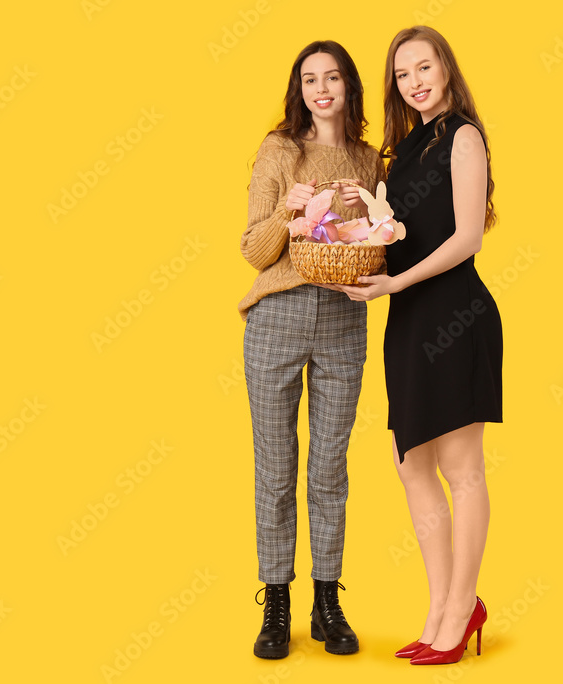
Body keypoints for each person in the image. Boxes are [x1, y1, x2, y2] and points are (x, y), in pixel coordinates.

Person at [339, 26, 502, 666]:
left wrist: (394, 282)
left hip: (454, 314)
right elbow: (396, 229)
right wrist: (362, 211)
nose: (415, 81)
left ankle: (462, 610)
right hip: (405, 318)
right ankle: (438, 608)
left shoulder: (463, 135)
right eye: (403, 74)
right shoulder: (402, 150)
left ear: (446, 69)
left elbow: (467, 238)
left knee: (462, 471)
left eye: (424, 67)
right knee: (413, 468)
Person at [238, 40, 385, 659]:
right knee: (275, 468)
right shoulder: (279, 151)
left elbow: (376, 242)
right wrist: (290, 221)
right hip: (277, 313)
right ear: (298, 90)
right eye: (309, 80)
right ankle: (276, 601)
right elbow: (252, 249)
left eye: (332, 78)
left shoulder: (369, 159)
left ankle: (327, 600)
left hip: (344, 320)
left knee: (329, 468)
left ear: (349, 86)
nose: (321, 89)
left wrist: (366, 217)